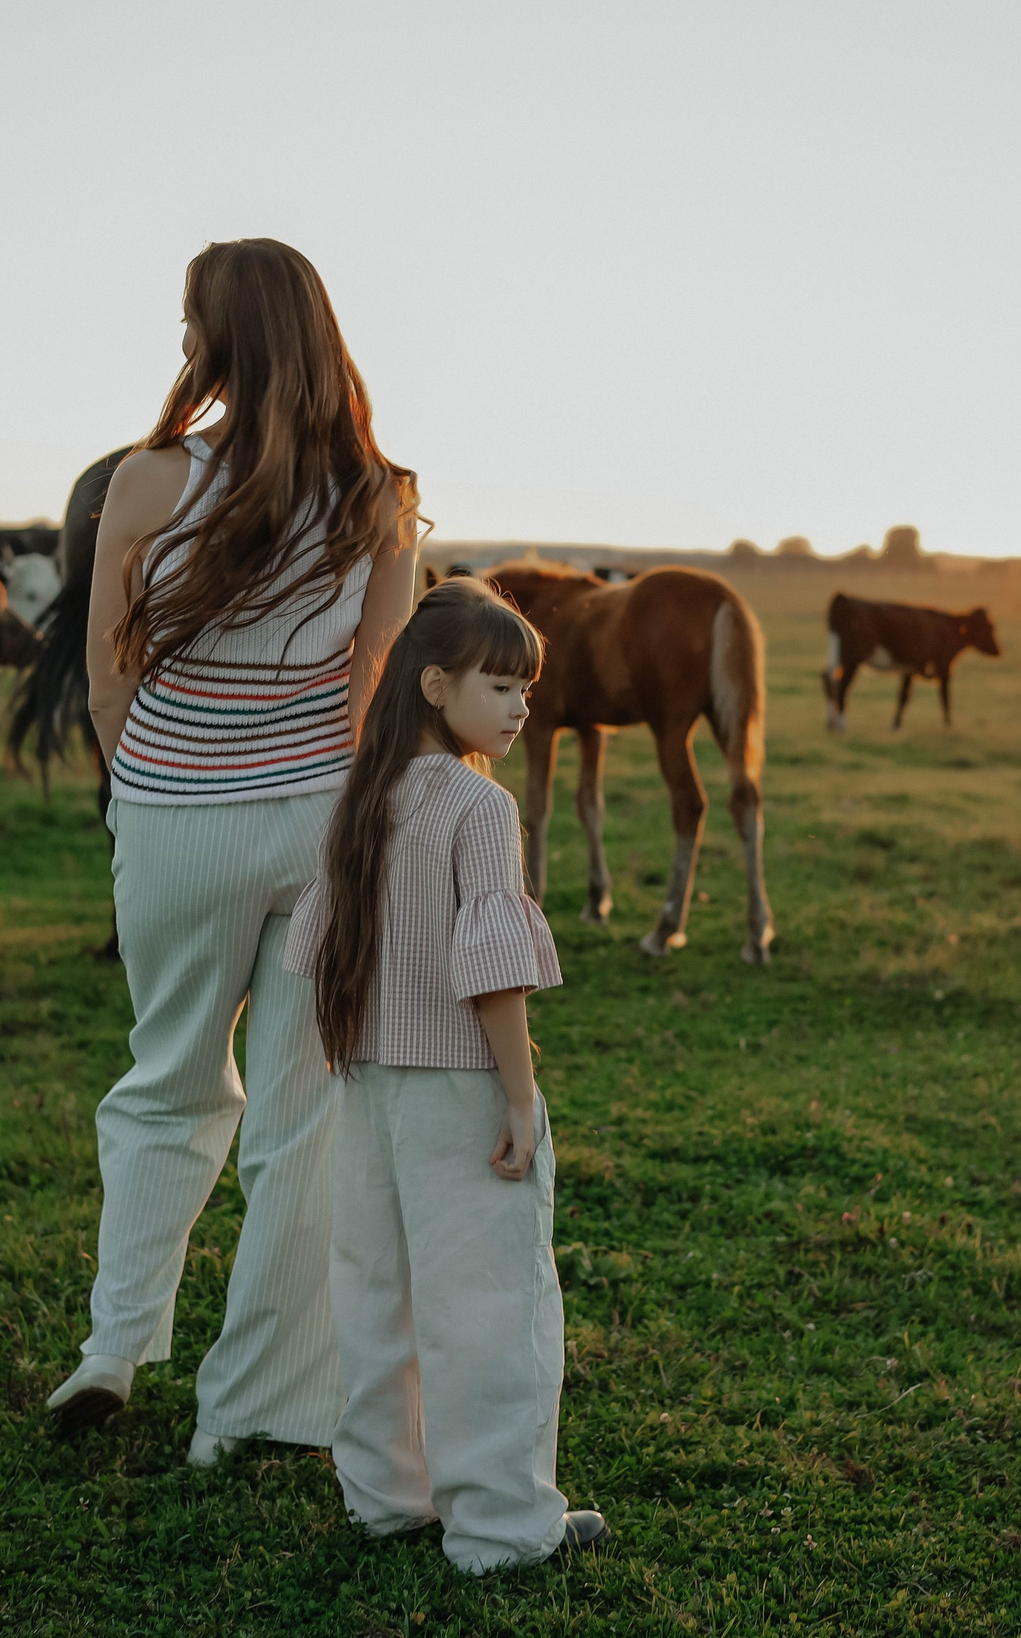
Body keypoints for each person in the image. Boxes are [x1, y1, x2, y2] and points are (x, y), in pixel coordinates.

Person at [49, 239, 420, 1457]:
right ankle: (255, 1409)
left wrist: (136, 795)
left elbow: (110, 675)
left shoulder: (148, 482)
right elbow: (376, 687)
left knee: (164, 1080)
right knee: (303, 1118)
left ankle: (113, 1349)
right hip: (319, 818)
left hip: (171, 815)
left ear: (215, 341)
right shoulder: (381, 494)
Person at [284, 577, 607, 1572]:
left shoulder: (362, 794)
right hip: (458, 1085)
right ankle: (503, 1531)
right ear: (433, 685)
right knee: (491, 1303)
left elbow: (317, 947)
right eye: (499, 686)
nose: (520, 707)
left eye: (525, 688)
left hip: (369, 1079)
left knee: (377, 1288)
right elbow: (494, 971)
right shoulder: (477, 805)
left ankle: (385, 1494)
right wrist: (519, 1094)